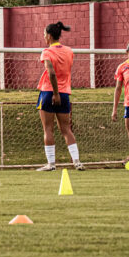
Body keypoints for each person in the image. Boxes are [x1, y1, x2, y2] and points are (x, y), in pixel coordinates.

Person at [36, 21, 82, 171]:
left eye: (44, 35)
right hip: (65, 92)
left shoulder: (47, 52)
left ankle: (51, 164)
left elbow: (51, 73)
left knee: (48, 129)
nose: (44, 37)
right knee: (66, 129)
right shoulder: (69, 51)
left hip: (49, 92)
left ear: (49, 36)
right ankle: (76, 161)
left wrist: (55, 93)